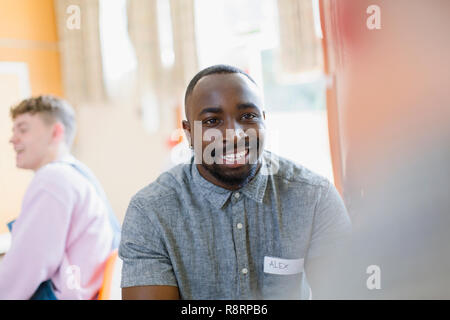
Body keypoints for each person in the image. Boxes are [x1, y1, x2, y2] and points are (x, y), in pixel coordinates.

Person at [119, 65, 351, 299]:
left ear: (264, 120)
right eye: (212, 121)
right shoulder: (150, 212)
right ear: (189, 133)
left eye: (248, 116)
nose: (235, 135)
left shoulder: (314, 197)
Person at [0, 95, 120, 300]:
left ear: (56, 132)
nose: (13, 138)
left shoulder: (51, 180)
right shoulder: (79, 173)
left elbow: (26, 265)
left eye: (23, 129)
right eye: (13, 131)